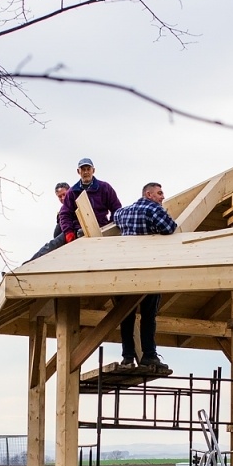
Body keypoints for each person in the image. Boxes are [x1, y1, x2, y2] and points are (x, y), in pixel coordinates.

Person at [110, 181, 175, 372]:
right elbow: (170, 228)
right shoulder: (154, 210)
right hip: (148, 272)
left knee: (126, 316)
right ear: (148, 194)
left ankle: (128, 357)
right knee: (148, 317)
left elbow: (114, 218)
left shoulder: (123, 212)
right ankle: (149, 355)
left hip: (125, 272)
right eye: (159, 193)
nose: (162, 197)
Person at [57, 157, 121, 238]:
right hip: (79, 231)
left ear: (93, 170)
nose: (86, 172)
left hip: (101, 228)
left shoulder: (105, 188)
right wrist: (68, 232)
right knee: (53, 244)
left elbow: (116, 208)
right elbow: (65, 214)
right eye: (83, 169)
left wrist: (111, 226)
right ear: (78, 171)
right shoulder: (72, 192)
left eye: (88, 169)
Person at [26, 182, 74, 261]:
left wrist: (69, 233)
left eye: (64, 194)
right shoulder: (62, 210)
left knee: (49, 247)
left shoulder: (75, 203)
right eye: (59, 196)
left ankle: (27, 264)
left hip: (70, 233)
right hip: (63, 238)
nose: (62, 198)